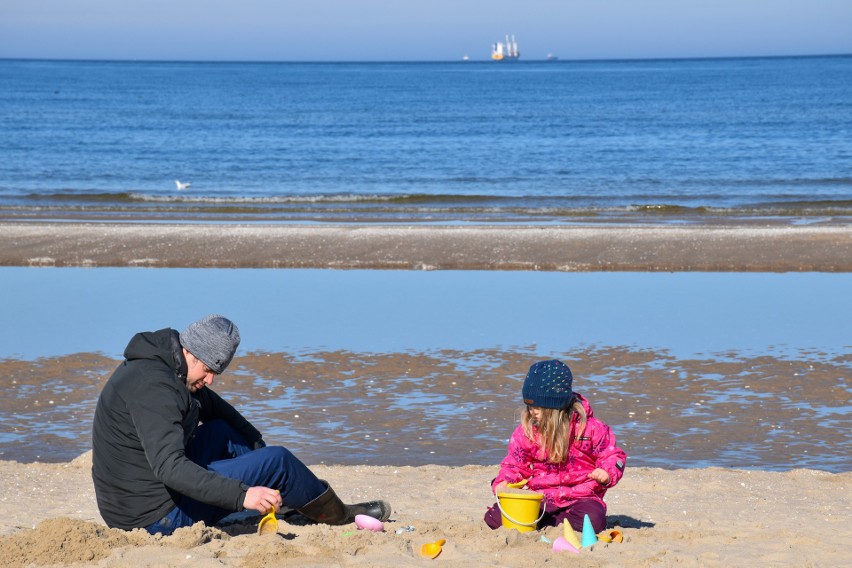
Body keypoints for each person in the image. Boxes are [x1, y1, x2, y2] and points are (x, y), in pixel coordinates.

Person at [92, 314, 390, 535]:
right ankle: (337, 515)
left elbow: (217, 409)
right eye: (208, 370)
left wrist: (257, 448)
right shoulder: (156, 390)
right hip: (152, 518)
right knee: (280, 460)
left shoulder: (166, 364)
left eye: (216, 373)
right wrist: (243, 494)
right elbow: (169, 467)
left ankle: (285, 497)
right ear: (190, 352)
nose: (209, 380)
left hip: (139, 497)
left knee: (224, 430)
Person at [484, 359, 626, 533]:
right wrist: (504, 482)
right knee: (494, 518)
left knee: (593, 521)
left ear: (556, 405)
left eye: (538, 406)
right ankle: (550, 520)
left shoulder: (589, 429)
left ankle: (549, 522)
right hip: (541, 497)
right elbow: (514, 464)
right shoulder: (526, 432)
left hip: (581, 497)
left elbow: (612, 456)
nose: (532, 412)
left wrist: (607, 472)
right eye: (529, 406)